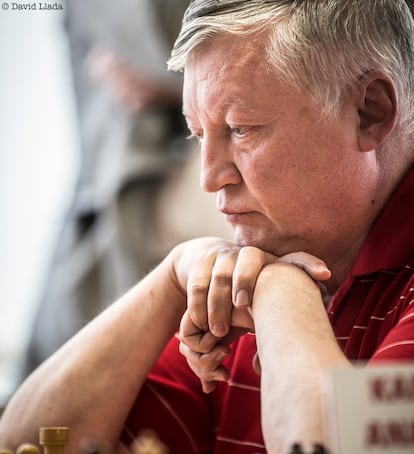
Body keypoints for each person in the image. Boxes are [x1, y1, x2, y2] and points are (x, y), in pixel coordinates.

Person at [1, 1, 413, 453]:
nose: (209, 178)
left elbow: (341, 448)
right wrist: (175, 273)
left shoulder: (269, 284)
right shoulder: (241, 280)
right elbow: (28, 443)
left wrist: (282, 293)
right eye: (197, 135)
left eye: (241, 129)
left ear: (370, 112)